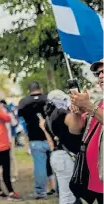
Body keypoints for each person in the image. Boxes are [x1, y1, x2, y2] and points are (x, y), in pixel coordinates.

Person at [66, 59, 103, 204]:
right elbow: (74, 130)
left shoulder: (93, 106)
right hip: (96, 181)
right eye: (98, 73)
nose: (100, 76)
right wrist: (77, 110)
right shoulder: (99, 102)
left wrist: (88, 106)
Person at [42, 90, 83, 204]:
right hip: (65, 157)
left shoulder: (47, 118)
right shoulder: (60, 113)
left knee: (69, 194)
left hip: (57, 155)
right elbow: (78, 125)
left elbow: (51, 141)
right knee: (68, 196)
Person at [17, 81, 50, 199]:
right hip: (50, 137)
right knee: (56, 165)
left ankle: (41, 192)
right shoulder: (47, 99)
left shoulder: (23, 102)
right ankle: (59, 190)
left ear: (29, 90)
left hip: (34, 138)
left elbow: (19, 117)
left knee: (39, 165)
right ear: (40, 89)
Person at [0, 100, 19, 183]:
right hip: (1, 138)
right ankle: (3, 174)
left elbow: (14, 123)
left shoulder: (9, 114)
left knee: (11, 156)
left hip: (9, 137)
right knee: (2, 157)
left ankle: (14, 174)